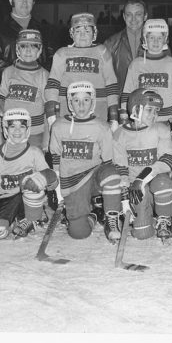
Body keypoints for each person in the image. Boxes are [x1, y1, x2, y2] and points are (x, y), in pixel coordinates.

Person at [48, 81, 123, 241]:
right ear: (69, 103)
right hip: (73, 182)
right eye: (76, 101)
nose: (81, 105)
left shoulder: (101, 126)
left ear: (93, 102)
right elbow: (55, 156)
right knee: (78, 233)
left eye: (86, 100)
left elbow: (109, 161)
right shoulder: (58, 126)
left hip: (95, 176)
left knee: (111, 174)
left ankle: (111, 218)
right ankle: (96, 213)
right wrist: (57, 186)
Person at [0, 109, 59, 239]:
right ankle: (13, 218)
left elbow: (51, 180)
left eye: (22, 126)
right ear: (6, 129)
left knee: (29, 183)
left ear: (28, 129)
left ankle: (32, 217)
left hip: (29, 199)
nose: (17, 131)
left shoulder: (34, 152)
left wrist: (44, 178)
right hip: (6, 199)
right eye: (12, 126)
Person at [112, 88, 172, 241]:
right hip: (136, 189)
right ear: (135, 109)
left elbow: (167, 161)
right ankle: (146, 216)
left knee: (163, 182)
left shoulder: (161, 129)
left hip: (155, 183)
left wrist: (142, 178)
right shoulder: (120, 134)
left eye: (157, 111)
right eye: (149, 110)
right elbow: (121, 169)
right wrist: (125, 199)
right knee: (142, 234)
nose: (154, 115)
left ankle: (163, 219)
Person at [44, 12, 119, 131]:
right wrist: (51, 112)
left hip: (98, 110)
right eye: (78, 31)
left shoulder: (103, 52)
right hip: (67, 110)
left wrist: (114, 114)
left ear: (94, 34)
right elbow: (53, 84)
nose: (82, 35)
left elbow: (111, 83)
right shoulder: (61, 54)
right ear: (71, 34)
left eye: (87, 31)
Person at [120, 19, 172, 142]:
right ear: (144, 39)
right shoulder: (136, 65)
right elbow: (127, 93)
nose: (155, 42)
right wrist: (123, 116)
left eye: (159, 38)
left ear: (165, 39)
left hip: (166, 122)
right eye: (151, 38)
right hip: (141, 122)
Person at [0, 0, 53, 89]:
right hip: (9, 89)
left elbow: (52, 58)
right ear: (11, 1)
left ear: (33, 2)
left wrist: (38, 76)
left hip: (38, 90)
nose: (25, 2)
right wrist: (16, 76)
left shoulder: (44, 30)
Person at [0, 29, 49, 150]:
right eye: (24, 46)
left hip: (35, 131)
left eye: (34, 46)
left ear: (40, 50)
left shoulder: (44, 75)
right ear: (17, 49)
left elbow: (48, 107)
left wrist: (46, 138)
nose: (28, 50)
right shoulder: (8, 72)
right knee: (11, 164)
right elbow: (1, 97)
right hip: (11, 131)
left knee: (33, 164)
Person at [104, 0, 148, 93]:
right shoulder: (111, 44)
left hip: (150, 102)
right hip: (120, 103)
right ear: (124, 17)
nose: (133, 19)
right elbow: (103, 79)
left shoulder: (159, 45)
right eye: (129, 15)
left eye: (138, 14)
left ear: (145, 16)